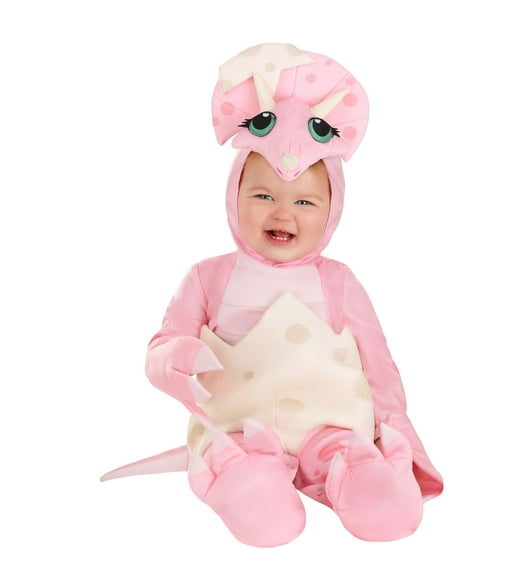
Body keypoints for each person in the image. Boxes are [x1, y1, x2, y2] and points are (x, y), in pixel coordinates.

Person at [102, 42, 443, 547]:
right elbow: (162, 344)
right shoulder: (208, 277)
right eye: (263, 196)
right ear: (234, 196)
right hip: (239, 427)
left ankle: (364, 480)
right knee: (252, 487)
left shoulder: (339, 282)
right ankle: (243, 483)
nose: (282, 213)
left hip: (331, 428)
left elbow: (378, 365)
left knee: (376, 496)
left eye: (305, 202)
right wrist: (175, 357)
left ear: (332, 210)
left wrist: (395, 429)